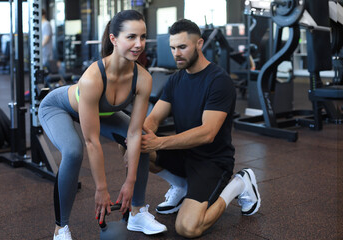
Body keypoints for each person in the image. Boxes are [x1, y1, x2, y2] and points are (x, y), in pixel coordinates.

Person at [38, 10, 167, 240]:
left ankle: (137, 212)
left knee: (143, 140)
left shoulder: (143, 78)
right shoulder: (93, 78)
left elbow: (135, 133)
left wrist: (130, 182)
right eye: (131, 37)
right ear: (113, 39)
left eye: (143, 37)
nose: (139, 44)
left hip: (101, 112)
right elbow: (92, 141)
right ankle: (61, 228)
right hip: (57, 107)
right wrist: (101, 188)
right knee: (73, 150)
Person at [140, 19, 261, 238]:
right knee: (134, 147)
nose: (176, 53)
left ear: (199, 44)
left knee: (187, 228)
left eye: (182, 47)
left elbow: (207, 133)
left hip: (212, 161)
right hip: (184, 154)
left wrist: (159, 142)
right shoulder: (175, 80)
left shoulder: (218, 81)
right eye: (173, 48)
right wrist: (143, 134)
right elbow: (154, 118)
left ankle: (239, 183)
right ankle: (182, 185)